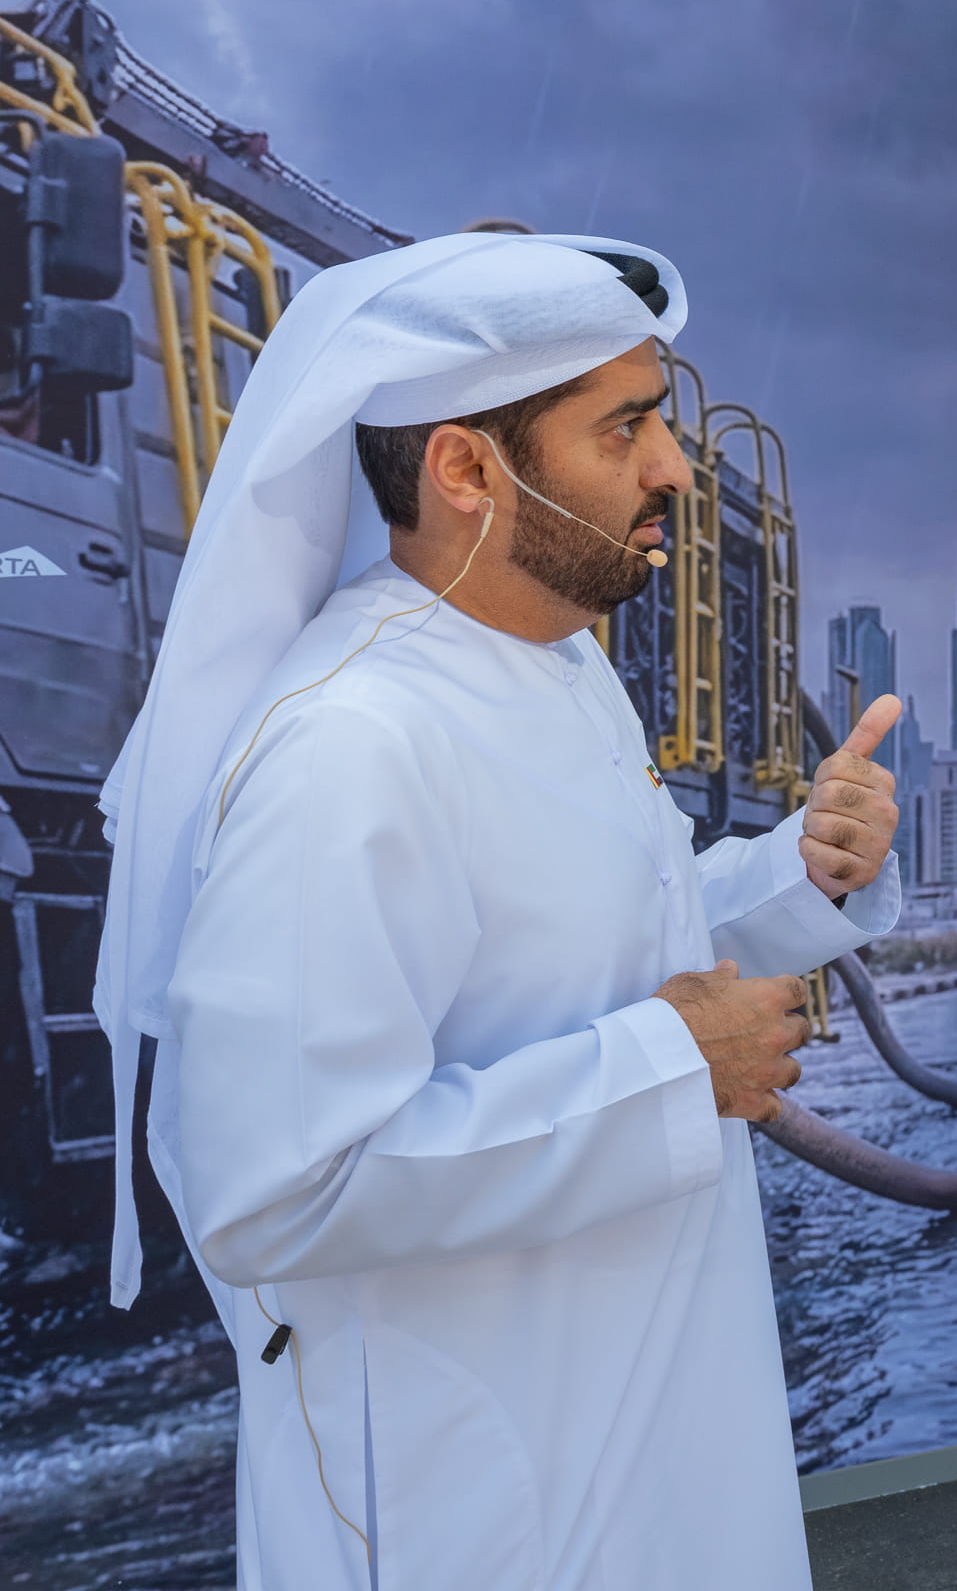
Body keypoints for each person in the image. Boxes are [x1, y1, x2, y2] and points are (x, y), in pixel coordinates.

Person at [93, 230, 901, 1589]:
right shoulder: (348, 744)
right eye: (626, 427)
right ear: (467, 469)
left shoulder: (558, 669)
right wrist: (672, 1072)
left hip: (638, 1446)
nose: (673, 467)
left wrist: (801, 872)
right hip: (471, 1511)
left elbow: (601, 945)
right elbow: (278, 1188)